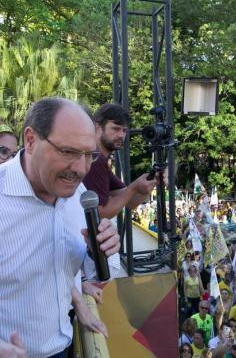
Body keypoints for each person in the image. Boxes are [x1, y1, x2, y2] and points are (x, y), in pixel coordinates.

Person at [0, 98, 120, 357]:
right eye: (68, 152)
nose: (80, 169)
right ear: (31, 140)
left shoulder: (80, 195)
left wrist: (97, 250)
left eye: (89, 155)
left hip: (63, 347)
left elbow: (63, 268)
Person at [82, 102, 157, 219]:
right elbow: (98, 213)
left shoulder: (101, 160)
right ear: (97, 128)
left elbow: (131, 202)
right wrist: (134, 187)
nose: (121, 135)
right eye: (116, 129)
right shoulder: (94, 158)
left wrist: (151, 182)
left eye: (124, 130)